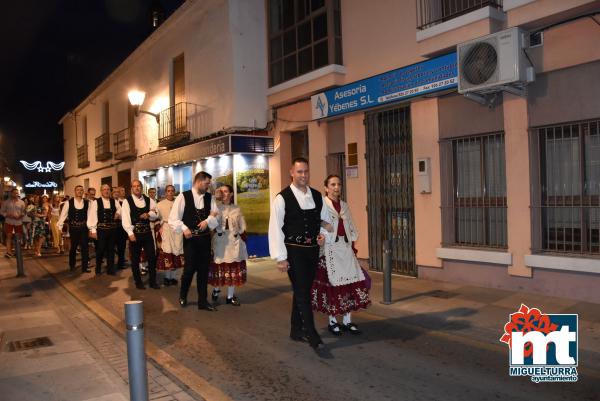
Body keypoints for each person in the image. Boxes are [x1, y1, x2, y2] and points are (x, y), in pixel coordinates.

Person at [268, 157, 327, 350]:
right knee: (302, 292)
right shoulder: (282, 198)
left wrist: (322, 235)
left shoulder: (317, 196)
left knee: (302, 290)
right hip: (293, 252)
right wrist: (280, 258)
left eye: (306, 172)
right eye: (300, 172)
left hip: (312, 251)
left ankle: (295, 329)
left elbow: (325, 221)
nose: (303, 175)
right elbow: (275, 228)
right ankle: (311, 333)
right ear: (291, 172)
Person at [311, 175, 371, 336]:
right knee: (333, 287)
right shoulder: (322, 204)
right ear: (326, 187)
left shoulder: (344, 206)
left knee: (350, 285)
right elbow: (313, 221)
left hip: (345, 248)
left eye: (338, 184)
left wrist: (352, 244)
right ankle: (332, 321)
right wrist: (322, 230)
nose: (336, 187)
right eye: (332, 184)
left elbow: (350, 226)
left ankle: (347, 320)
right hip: (330, 249)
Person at [169, 171, 219, 311]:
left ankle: (202, 301)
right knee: (189, 270)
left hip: (204, 240)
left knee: (203, 271)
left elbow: (216, 217)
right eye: (207, 183)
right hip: (190, 241)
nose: (208, 186)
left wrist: (208, 220)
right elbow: (173, 219)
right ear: (199, 181)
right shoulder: (183, 197)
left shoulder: (210, 197)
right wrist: (184, 228)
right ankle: (183, 295)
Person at [209, 185, 247, 306]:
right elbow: (210, 224)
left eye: (226, 191)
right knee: (219, 268)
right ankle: (216, 290)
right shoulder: (216, 208)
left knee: (233, 269)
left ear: (231, 194)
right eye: (221, 191)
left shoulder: (237, 208)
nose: (223, 193)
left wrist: (239, 233)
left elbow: (243, 225)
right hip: (220, 243)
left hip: (233, 243)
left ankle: (230, 297)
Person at [121, 179, 159, 289]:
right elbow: (125, 219)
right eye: (134, 186)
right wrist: (130, 232)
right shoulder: (127, 201)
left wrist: (148, 214)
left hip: (147, 233)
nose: (137, 188)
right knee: (135, 259)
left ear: (141, 187)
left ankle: (152, 281)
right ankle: (138, 281)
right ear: (131, 188)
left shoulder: (149, 200)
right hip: (135, 234)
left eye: (138, 186)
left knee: (152, 257)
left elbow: (156, 213)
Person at [88, 184, 121, 276]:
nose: (106, 191)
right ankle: (98, 268)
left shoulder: (114, 201)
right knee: (100, 250)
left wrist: (118, 213)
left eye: (108, 189)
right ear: (101, 191)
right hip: (101, 230)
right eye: (104, 189)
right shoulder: (96, 202)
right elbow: (92, 216)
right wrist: (93, 230)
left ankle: (110, 269)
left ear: (110, 191)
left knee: (111, 250)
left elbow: (120, 209)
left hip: (112, 230)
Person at [57, 185, 91, 272]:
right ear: (75, 192)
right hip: (74, 228)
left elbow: (90, 216)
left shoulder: (87, 202)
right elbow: (63, 215)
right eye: (78, 190)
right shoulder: (68, 202)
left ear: (83, 192)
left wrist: (91, 228)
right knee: (74, 247)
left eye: (81, 190)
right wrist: (60, 226)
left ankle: (84, 267)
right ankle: (72, 264)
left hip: (84, 227)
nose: (79, 191)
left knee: (85, 247)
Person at [156, 185, 183, 286]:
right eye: (168, 191)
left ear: (174, 192)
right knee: (168, 254)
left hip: (177, 230)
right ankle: (167, 277)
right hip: (167, 229)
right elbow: (156, 216)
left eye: (172, 191)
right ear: (165, 192)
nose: (170, 192)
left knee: (176, 253)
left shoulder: (179, 203)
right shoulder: (160, 204)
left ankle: (173, 277)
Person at [0, 188, 25, 258]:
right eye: (14, 193)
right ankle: (8, 252)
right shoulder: (6, 202)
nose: (16, 194)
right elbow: (1, 211)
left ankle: (17, 252)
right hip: (9, 222)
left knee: (18, 238)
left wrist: (21, 215)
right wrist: (7, 215)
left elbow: (23, 212)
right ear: (11, 193)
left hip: (18, 222)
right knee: (9, 237)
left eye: (17, 193)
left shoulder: (21, 202)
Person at [114, 187, 128, 269]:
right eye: (120, 191)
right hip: (116, 226)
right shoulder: (116, 201)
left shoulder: (126, 201)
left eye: (123, 190)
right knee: (114, 246)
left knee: (122, 245)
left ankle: (121, 262)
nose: (122, 192)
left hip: (123, 226)